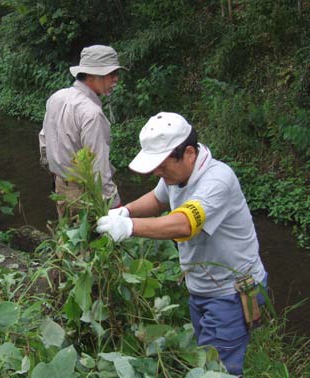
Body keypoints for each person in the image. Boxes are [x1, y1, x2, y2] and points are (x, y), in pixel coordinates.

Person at [95, 112, 267, 377]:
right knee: (206, 362)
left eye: (162, 165)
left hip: (231, 293)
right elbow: (158, 199)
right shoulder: (176, 176)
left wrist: (131, 228)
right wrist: (126, 211)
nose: (157, 172)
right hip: (201, 287)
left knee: (219, 370)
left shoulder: (217, 180)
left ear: (188, 153)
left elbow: (185, 223)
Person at [39, 45, 127, 218]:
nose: (116, 79)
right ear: (92, 76)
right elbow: (98, 167)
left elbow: (44, 140)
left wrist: (54, 171)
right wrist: (115, 205)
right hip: (85, 194)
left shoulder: (57, 97)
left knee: (68, 239)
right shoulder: (91, 113)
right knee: (92, 242)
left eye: (117, 74)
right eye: (111, 74)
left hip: (60, 187)